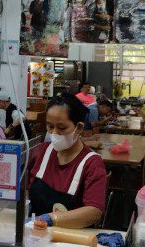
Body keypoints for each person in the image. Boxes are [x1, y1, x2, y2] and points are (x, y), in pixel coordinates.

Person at [28, 93, 106, 227]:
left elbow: (94, 212)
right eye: (50, 127)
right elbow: (26, 190)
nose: (54, 133)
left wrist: (52, 219)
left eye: (62, 128)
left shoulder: (91, 164)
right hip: (35, 234)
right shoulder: (42, 152)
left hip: (69, 240)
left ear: (79, 128)